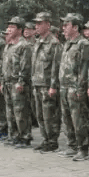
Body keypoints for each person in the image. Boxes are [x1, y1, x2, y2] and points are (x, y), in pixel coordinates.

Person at [57, 13, 89, 161]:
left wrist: (80, 87)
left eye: (66, 25)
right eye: (63, 25)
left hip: (75, 87)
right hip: (64, 86)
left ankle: (82, 148)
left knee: (79, 119)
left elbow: (84, 67)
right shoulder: (67, 43)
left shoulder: (83, 44)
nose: (63, 28)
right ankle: (71, 145)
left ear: (76, 27)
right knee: (67, 119)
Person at [0, 17, 33, 148]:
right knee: (10, 112)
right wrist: (1, 81)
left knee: (21, 111)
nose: (9, 29)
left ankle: (25, 137)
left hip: (17, 83)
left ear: (20, 29)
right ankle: (14, 136)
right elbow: (4, 65)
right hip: (7, 82)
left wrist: (21, 81)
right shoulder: (9, 45)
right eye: (9, 27)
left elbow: (26, 66)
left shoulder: (24, 45)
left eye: (12, 27)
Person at [30, 12, 62, 154]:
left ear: (48, 25)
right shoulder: (37, 42)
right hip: (37, 83)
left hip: (47, 84)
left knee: (50, 114)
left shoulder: (54, 43)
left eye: (40, 23)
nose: (36, 26)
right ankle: (45, 139)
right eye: (36, 23)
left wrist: (53, 85)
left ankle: (52, 140)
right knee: (40, 115)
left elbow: (56, 66)